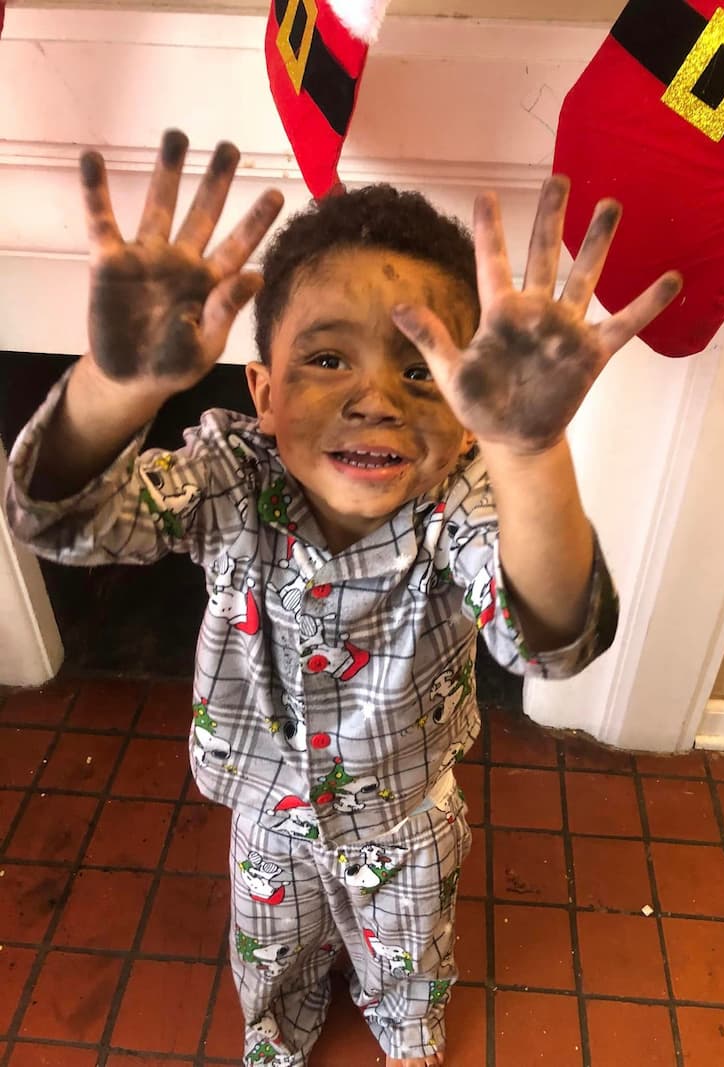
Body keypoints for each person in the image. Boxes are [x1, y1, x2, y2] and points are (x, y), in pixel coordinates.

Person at [4, 129, 680, 1067]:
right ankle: (279, 1037)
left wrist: (532, 453)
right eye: (328, 361)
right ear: (264, 392)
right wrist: (112, 388)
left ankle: (407, 1035)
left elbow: (552, 641)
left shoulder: (467, 501)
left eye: (419, 371)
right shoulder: (229, 476)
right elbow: (64, 521)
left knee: (411, 960)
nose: (376, 398)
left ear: (467, 415)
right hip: (263, 818)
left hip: (406, 820)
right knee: (269, 962)